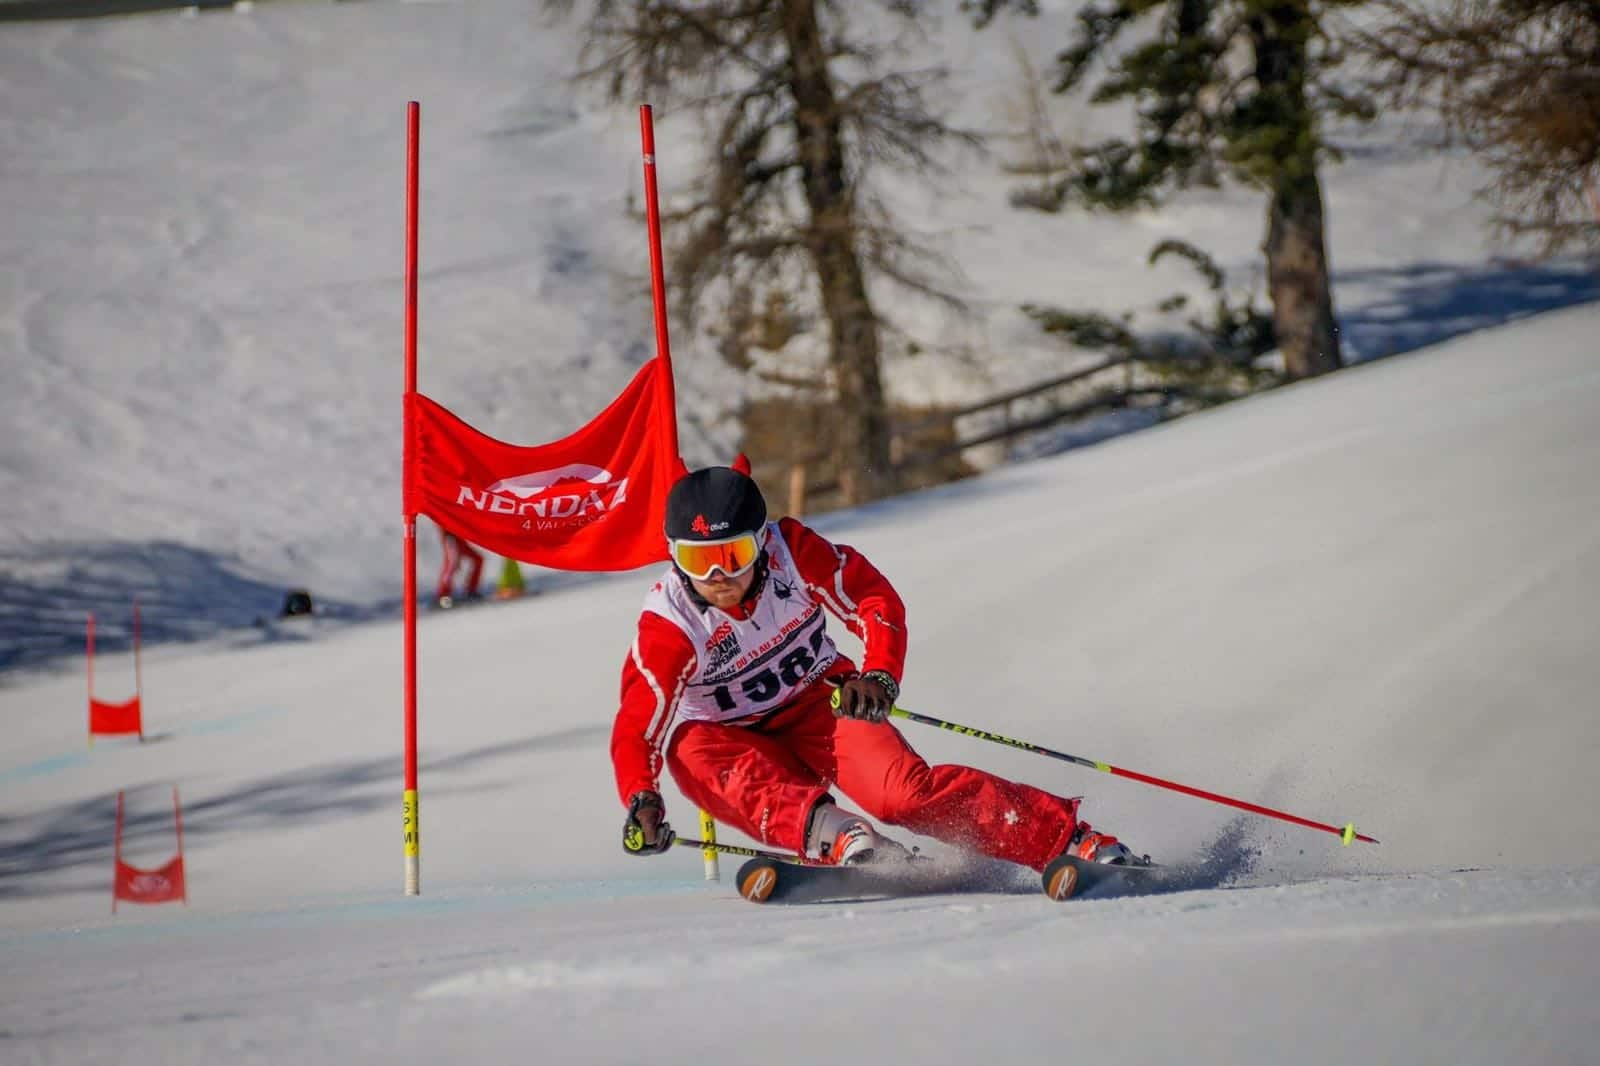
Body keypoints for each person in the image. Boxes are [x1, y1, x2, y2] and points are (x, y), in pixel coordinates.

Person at [611, 462, 1140, 872]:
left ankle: (1069, 840)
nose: (719, 576)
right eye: (699, 560)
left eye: (735, 554)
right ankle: (836, 833)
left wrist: (879, 675)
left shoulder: (793, 554)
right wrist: (642, 798)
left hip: (824, 706)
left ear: (761, 542)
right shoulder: (670, 625)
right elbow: (638, 725)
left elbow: (874, 601)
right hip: (737, 741)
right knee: (689, 749)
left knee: (901, 794)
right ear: (674, 556)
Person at [436, 528, 485, 608]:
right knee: (452, 563)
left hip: (458, 533)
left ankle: (471, 590)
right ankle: (443, 594)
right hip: (450, 535)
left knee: (478, 559)